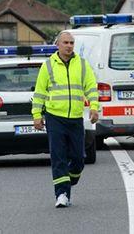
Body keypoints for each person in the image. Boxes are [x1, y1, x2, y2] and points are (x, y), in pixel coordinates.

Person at [32, 31, 99, 208]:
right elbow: (39, 93)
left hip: (75, 118)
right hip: (55, 118)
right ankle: (61, 193)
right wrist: (37, 115)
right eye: (65, 42)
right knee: (58, 157)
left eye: (71, 43)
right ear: (58, 45)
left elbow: (91, 87)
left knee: (78, 158)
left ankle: (70, 180)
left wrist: (94, 107)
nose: (69, 46)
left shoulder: (82, 65)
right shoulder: (47, 66)